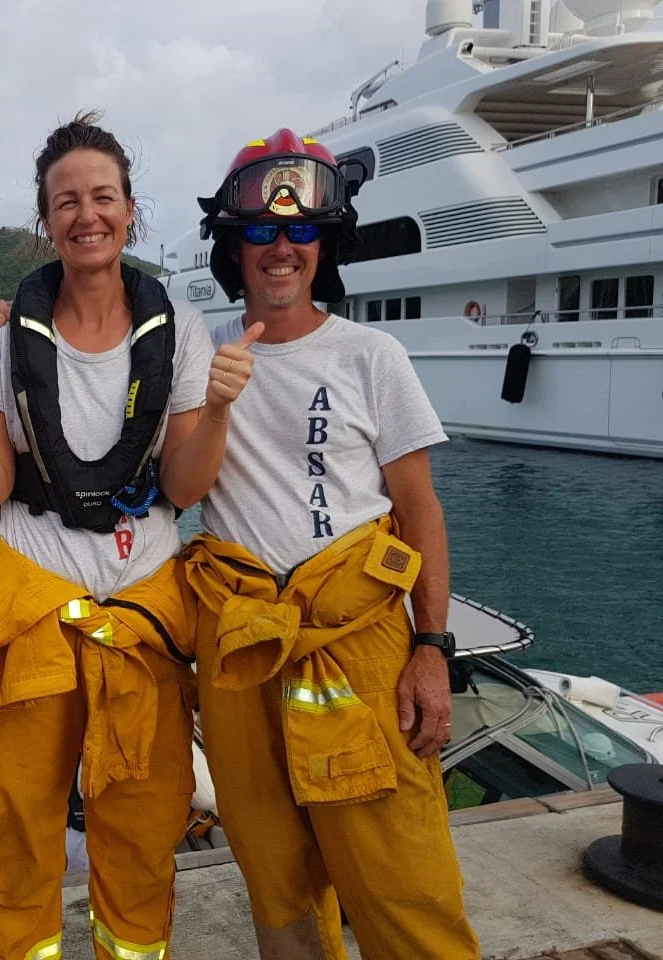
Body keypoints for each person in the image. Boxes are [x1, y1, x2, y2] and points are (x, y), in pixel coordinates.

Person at [0, 112, 259, 960]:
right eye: (66, 201)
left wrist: (220, 407)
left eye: (103, 197)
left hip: (140, 615)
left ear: (130, 211)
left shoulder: (181, 333)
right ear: (44, 220)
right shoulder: (2, 344)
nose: (87, 215)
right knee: (14, 832)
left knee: (142, 832)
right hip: (31, 608)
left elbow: (185, 487)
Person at [185, 128, 479, 959]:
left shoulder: (371, 355)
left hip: (358, 645)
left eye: (302, 231)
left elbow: (418, 510)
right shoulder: (197, 356)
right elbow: (174, 482)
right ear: (233, 248)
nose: (281, 248)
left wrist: (430, 649)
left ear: (326, 245)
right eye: (261, 233)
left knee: (402, 873)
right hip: (243, 651)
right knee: (274, 878)